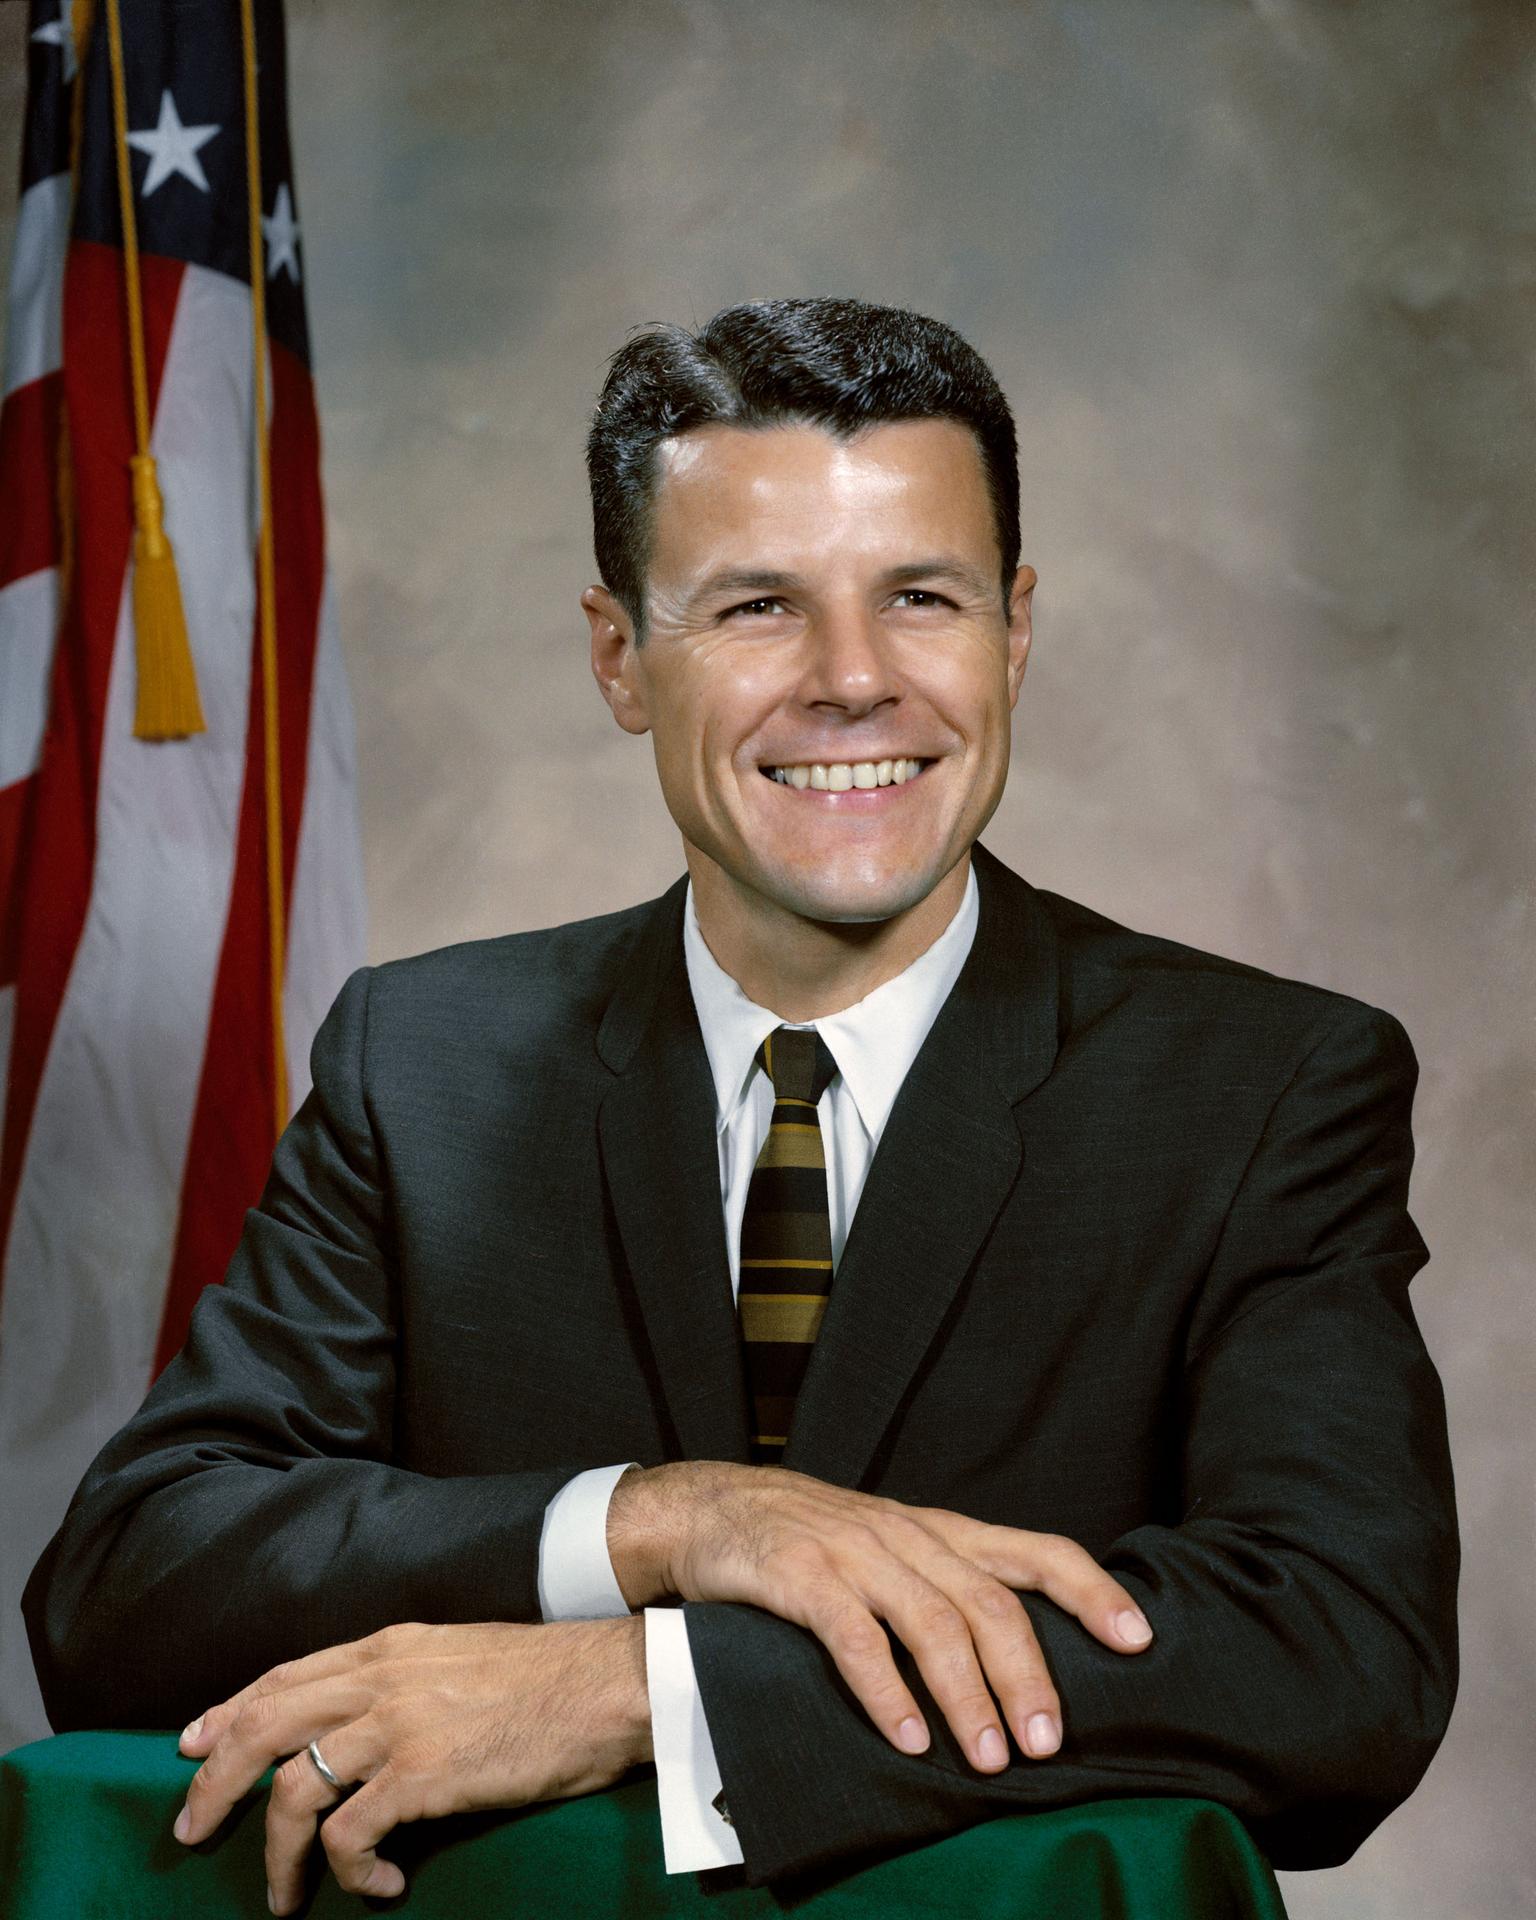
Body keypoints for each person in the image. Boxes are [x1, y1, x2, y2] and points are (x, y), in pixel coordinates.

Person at [23, 297, 1459, 1914]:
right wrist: (661, 1525)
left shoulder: (1263, 1087)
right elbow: (123, 1590)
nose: (855, 684)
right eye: (759, 607)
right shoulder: (417, 1061)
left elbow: (1338, 1652)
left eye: (924, 597)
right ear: (620, 657)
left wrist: (646, 1688)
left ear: (1017, 631)